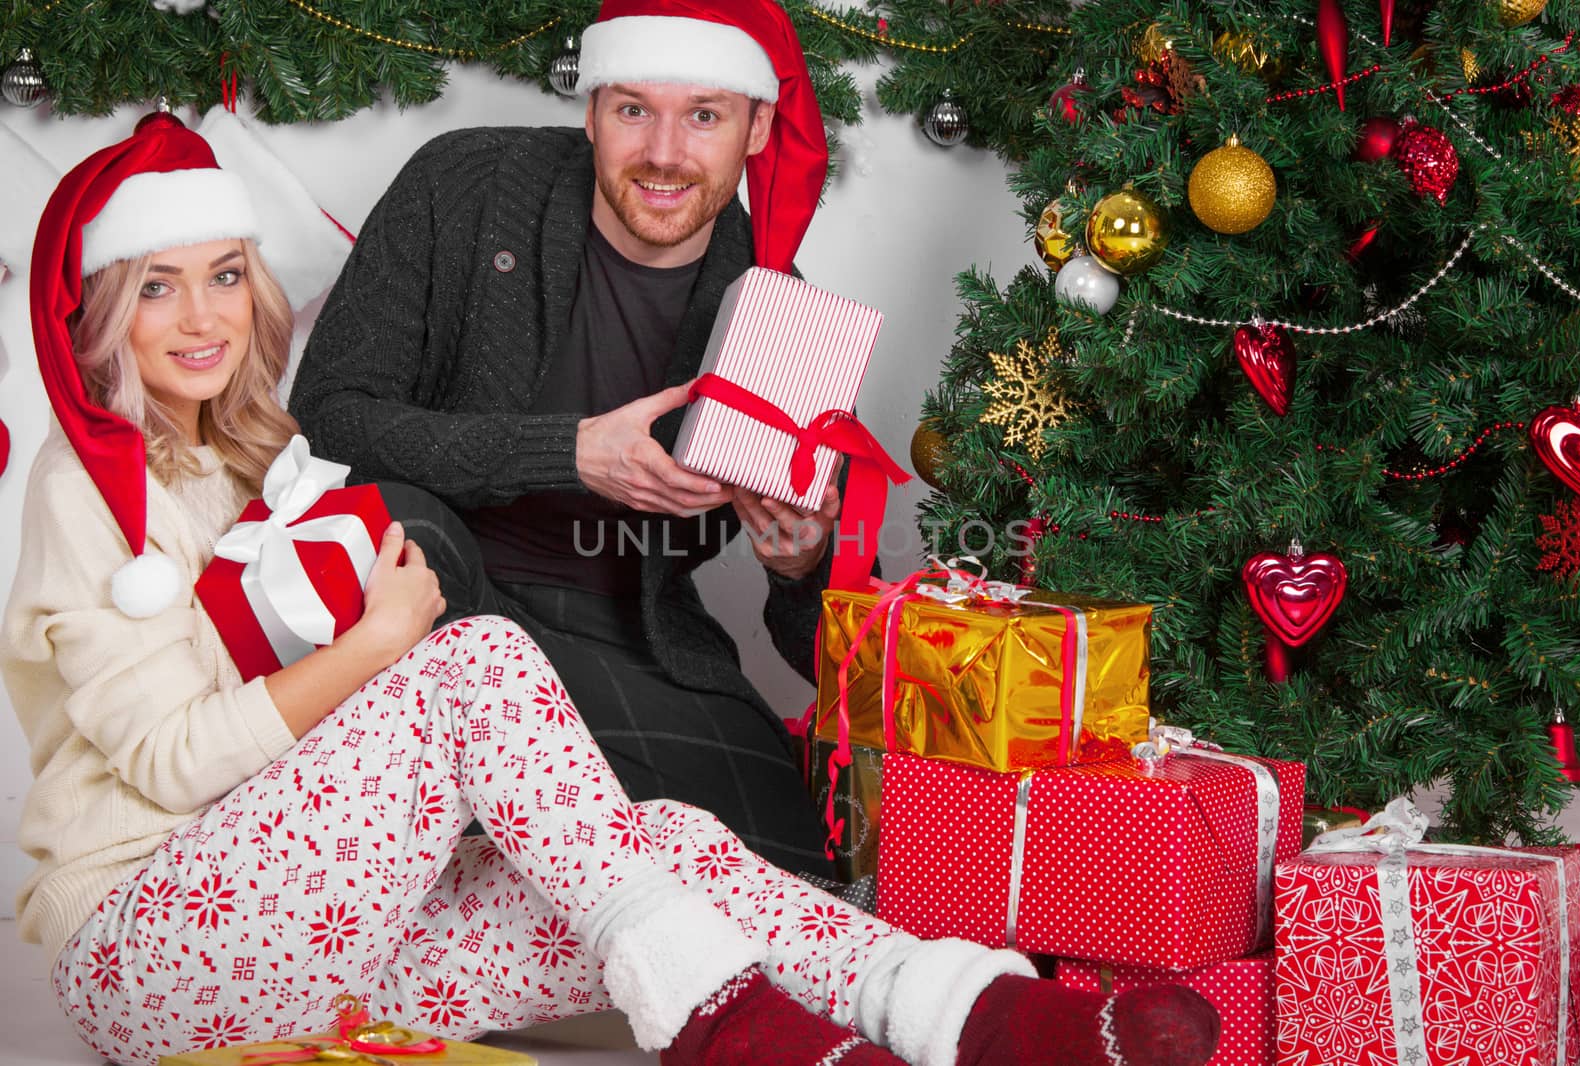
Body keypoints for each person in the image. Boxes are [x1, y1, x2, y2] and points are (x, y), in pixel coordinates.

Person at [3, 115, 1222, 1066]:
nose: (202, 316)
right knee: (469, 659)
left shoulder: (258, 455)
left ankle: (971, 1014)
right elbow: (167, 764)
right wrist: (381, 645)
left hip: (321, 936)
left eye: (224, 275)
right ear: (105, 311)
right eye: (156, 286)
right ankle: (718, 1020)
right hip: (151, 954)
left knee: (675, 839)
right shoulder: (84, 484)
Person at [286, 0, 872, 879]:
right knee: (399, 517)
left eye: (704, 116)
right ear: (592, 109)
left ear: (755, 127)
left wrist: (796, 559)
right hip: (442, 591)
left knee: (790, 869)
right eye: (634, 109)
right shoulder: (466, 184)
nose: (665, 153)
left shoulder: (776, 309)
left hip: (629, 632)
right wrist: (566, 452)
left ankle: (524, 848)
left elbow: (806, 643)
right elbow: (330, 411)